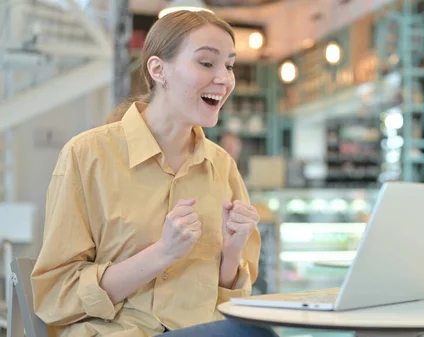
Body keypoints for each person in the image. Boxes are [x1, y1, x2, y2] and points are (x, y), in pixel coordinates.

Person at [31, 10, 278, 337]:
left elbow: (229, 306)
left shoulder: (222, 167)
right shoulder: (87, 155)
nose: (224, 78)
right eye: (207, 63)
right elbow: (55, 296)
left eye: (229, 66)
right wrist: (163, 253)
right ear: (158, 69)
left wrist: (231, 256)